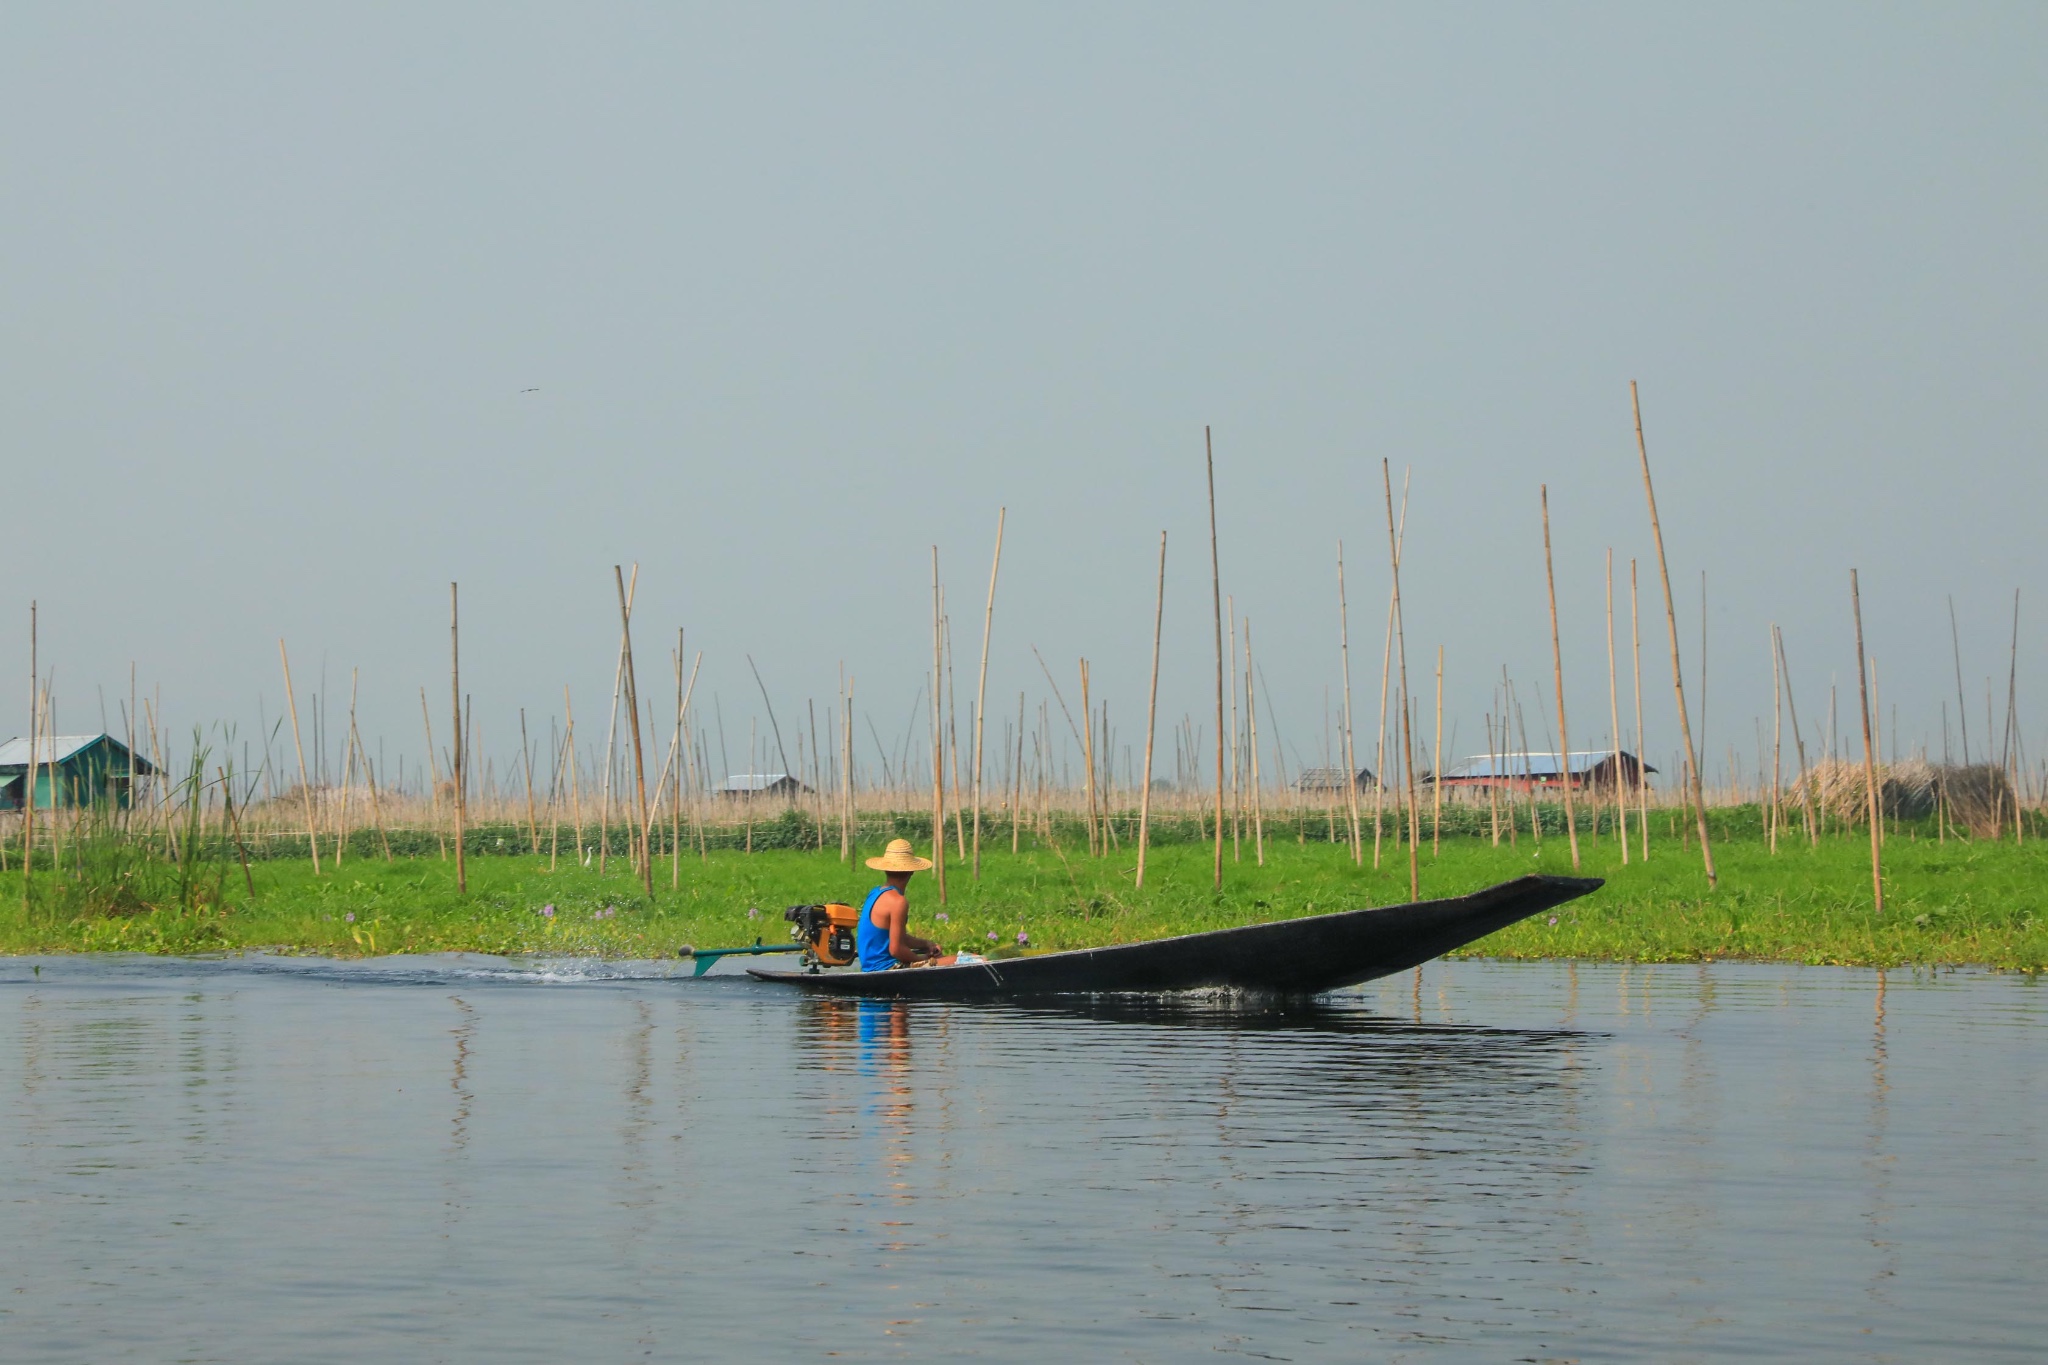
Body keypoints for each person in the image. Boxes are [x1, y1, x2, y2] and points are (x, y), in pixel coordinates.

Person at [856, 839, 955, 970]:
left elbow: (898, 937)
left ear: (885, 869)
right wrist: (923, 959)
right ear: (912, 871)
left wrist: (926, 944)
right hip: (887, 968)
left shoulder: (875, 893)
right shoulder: (898, 902)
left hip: (869, 967)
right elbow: (896, 949)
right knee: (964, 960)